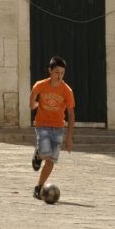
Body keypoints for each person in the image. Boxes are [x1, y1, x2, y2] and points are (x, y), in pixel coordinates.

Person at [30, 55, 75, 200]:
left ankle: (38, 187)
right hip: (42, 125)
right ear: (50, 71)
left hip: (58, 128)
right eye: (57, 72)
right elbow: (33, 94)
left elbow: (71, 114)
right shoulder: (41, 85)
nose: (59, 76)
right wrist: (33, 105)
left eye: (62, 73)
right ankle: (38, 155)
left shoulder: (67, 91)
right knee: (44, 153)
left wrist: (69, 138)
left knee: (50, 161)